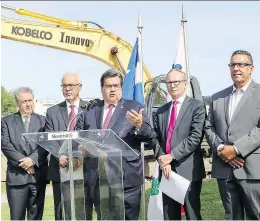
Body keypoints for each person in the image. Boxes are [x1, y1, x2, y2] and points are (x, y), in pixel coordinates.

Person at [76, 68, 156, 220]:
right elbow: (79, 137)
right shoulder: (90, 110)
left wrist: (140, 125)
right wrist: (80, 146)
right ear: (102, 88)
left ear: (121, 87)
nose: (112, 90)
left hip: (126, 179)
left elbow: (151, 138)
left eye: (116, 86)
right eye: (108, 86)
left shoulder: (135, 107)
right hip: (98, 179)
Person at [205, 50, 260, 220]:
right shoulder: (217, 97)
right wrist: (222, 149)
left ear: (252, 68)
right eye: (233, 64)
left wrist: (236, 149)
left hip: (252, 170)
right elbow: (208, 126)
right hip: (225, 170)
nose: (236, 68)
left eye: (241, 64)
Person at [153, 69, 206, 220]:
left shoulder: (196, 106)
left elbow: (195, 137)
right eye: (169, 82)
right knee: (169, 216)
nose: (172, 85)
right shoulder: (162, 111)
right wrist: (163, 160)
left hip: (188, 171)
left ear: (185, 84)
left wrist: (172, 156)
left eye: (176, 82)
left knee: (192, 214)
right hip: (167, 171)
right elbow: (156, 138)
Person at [44, 72, 87, 220]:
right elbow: (49, 139)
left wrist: (81, 157)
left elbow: (93, 136)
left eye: (71, 85)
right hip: (61, 169)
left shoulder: (90, 108)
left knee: (84, 212)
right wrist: (60, 155)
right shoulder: (52, 111)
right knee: (62, 213)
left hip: (85, 169)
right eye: (64, 85)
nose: (67, 89)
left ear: (80, 87)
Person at [1, 87, 48, 220]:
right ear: (17, 103)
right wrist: (25, 162)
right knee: (17, 217)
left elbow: (46, 145)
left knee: (36, 217)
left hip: (38, 177)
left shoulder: (44, 121)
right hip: (17, 179)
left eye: (30, 100)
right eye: (24, 101)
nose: (28, 104)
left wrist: (32, 160)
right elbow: (5, 145)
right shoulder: (6, 121)